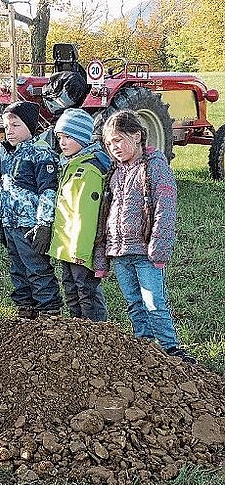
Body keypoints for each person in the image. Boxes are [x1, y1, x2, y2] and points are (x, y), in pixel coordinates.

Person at [97, 110, 195, 363]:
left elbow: (165, 208)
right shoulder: (115, 173)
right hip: (120, 252)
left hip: (146, 253)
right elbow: (105, 214)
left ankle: (170, 349)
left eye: (118, 140)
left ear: (137, 135)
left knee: (154, 303)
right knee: (133, 302)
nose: (114, 147)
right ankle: (145, 347)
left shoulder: (155, 167)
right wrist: (103, 254)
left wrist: (159, 249)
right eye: (109, 143)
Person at [0, 101, 63, 319]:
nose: (10, 130)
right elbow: (4, 190)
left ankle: (48, 311)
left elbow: (48, 191)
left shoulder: (41, 154)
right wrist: (2, 220)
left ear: (29, 125)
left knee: (36, 268)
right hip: (11, 224)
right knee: (18, 269)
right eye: (6, 126)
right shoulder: (9, 156)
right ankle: (25, 309)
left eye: (15, 125)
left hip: (30, 226)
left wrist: (44, 224)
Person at [48, 108, 109, 322]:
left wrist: (79, 251)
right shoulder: (71, 165)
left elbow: (87, 216)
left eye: (68, 137)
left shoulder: (89, 170)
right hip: (67, 245)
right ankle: (76, 330)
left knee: (86, 291)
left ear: (83, 138)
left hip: (79, 248)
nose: (62, 142)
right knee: (71, 289)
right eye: (59, 137)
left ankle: (95, 331)